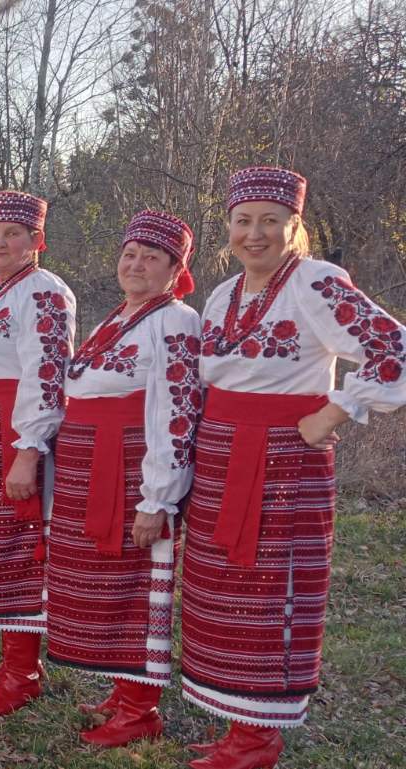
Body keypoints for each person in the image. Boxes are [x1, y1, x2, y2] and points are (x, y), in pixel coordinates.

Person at [181, 166, 406, 769]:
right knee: (222, 587)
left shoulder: (316, 281)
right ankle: (239, 723)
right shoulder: (223, 294)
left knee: (269, 591)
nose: (255, 234)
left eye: (270, 221)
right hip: (220, 454)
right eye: (243, 221)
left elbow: (393, 348)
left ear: (294, 225)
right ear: (228, 226)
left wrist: (336, 410)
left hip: (283, 458)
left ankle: (258, 740)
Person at [43, 210, 202, 747]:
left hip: (130, 466)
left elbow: (177, 411)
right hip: (88, 464)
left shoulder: (175, 320)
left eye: (150, 258)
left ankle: (140, 709)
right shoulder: (120, 316)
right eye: (129, 255)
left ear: (175, 269)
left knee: (133, 580)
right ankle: (123, 686)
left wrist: (157, 498)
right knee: (103, 580)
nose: (135, 265)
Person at [0, 190, 77, 716]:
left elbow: (47, 374)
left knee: (18, 547)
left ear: (36, 240)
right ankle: (13, 661)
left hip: (12, 431)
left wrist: (28, 449)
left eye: (12, 234)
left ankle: (24, 672)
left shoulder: (44, 291)